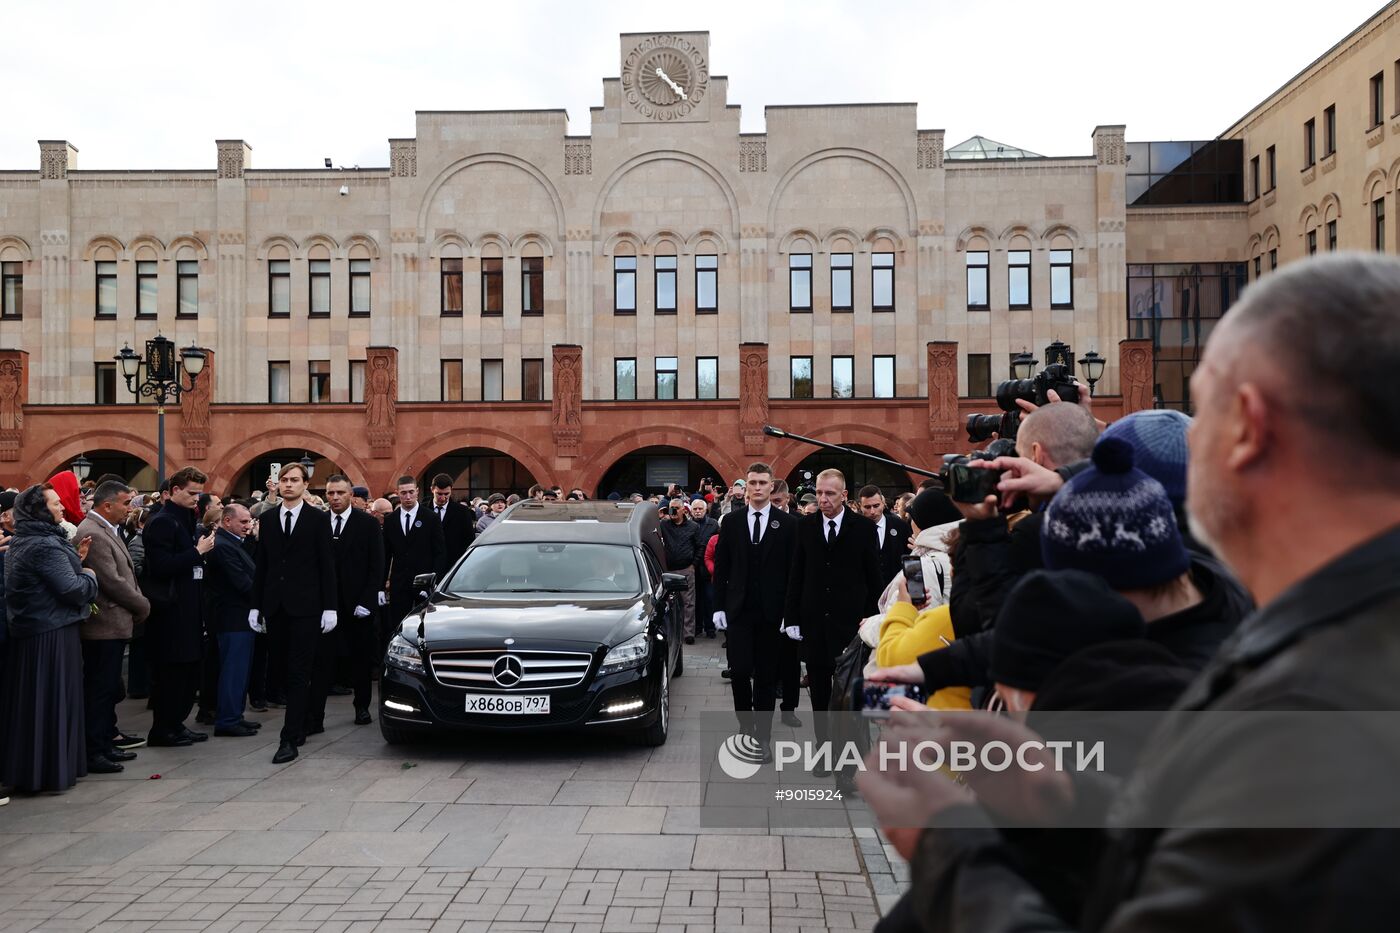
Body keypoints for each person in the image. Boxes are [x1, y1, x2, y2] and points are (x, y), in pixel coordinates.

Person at [861, 252, 1400, 932]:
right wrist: (1065, 800)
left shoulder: (1324, 705)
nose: (1177, 443)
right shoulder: (1322, 624)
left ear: (1250, 429)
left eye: (1199, 411)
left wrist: (947, 844)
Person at [0, 484, 99, 792]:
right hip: (50, 633)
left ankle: (42, 769)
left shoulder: (27, 541)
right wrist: (90, 576)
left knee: (42, 702)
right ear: (40, 510)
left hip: (41, 629)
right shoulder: (43, 545)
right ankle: (49, 771)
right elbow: (71, 589)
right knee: (51, 700)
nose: (61, 508)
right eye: (55, 504)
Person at [785, 468, 883, 767]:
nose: (822, 498)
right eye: (818, 492)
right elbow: (796, 574)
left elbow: (874, 579)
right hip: (814, 623)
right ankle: (823, 752)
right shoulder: (805, 527)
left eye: (829, 493)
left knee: (848, 698)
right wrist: (791, 618)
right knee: (818, 695)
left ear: (844, 495)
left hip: (851, 627)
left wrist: (873, 619)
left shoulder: (863, 529)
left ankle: (849, 756)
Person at [249, 461, 337, 764]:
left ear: (305, 485)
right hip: (275, 607)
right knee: (283, 671)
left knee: (300, 672)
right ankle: (298, 726)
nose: (288, 484)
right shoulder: (270, 518)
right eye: (284, 479)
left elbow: (327, 565)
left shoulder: (317, 519)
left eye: (294, 480)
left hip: (308, 608)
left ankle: (289, 738)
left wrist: (330, 607)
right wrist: (255, 605)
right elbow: (264, 564)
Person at [710, 463, 796, 751]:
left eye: (762, 482)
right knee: (739, 671)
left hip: (772, 614)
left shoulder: (788, 525)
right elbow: (721, 567)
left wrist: (790, 612)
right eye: (752, 483)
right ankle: (745, 724)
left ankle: (763, 735)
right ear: (746, 487)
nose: (757, 487)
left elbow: (793, 572)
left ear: (772, 486)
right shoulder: (731, 522)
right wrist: (718, 606)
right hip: (738, 611)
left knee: (766, 675)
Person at [75, 480, 149, 773]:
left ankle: (105, 741)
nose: (129, 509)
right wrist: (142, 605)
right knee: (100, 689)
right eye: (125, 503)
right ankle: (95, 749)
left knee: (107, 687)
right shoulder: (92, 531)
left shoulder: (104, 529)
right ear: (108, 505)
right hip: (103, 626)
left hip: (114, 624)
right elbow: (112, 581)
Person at [142, 467, 217, 747]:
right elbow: (160, 567)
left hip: (189, 606)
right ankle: (164, 729)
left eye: (199, 494)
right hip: (171, 612)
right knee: (172, 674)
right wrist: (197, 552)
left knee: (187, 673)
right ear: (174, 491)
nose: (196, 499)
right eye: (191, 493)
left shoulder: (185, 518)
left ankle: (176, 724)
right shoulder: (162, 521)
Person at [324, 474, 384, 725]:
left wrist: (367, 600)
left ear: (351, 495)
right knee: (323, 659)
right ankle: (315, 714)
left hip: (358, 604)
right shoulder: (318, 522)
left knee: (361, 660)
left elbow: (377, 564)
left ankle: (362, 707)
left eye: (340, 493)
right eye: (330, 493)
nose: (335, 498)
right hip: (326, 604)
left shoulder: (367, 524)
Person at [203, 503, 261, 737]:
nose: (248, 527)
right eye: (244, 522)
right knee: (233, 670)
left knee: (240, 670)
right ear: (227, 521)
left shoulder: (234, 543)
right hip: (231, 617)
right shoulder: (223, 547)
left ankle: (235, 715)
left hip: (240, 617)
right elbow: (241, 582)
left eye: (249, 522)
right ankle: (227, 719)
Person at [382, 475, 445, 655]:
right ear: (398, 494)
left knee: (424, 626)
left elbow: (440, 552)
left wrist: (434, 581)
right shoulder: (391, 520)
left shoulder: (431, 518)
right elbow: (386, 555)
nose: (408, 497)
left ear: (417, 491)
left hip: (424, 582)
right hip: (399, 582)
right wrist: (381, 586)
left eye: (411, 492)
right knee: (397, 624)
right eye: (404, 493)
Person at [658, 497, 705, 643]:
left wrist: (693, 565)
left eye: (675, 508)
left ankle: (688, 633)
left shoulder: (693, 527)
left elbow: (700, 546)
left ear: (683, 510)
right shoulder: (664, 524)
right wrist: (660, 512)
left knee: (688, 603)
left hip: (686, 569)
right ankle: (670, 633)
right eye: (670, 508)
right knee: (668, 603)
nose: (672, 511)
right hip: (669, 570)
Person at [858, 484, 912, 586]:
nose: (872, 511)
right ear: (860, 506)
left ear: (883, 503)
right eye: (867, 507)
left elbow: (908, 557)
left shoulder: (900, 526)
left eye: (876, 505)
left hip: (896, 589)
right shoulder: (854, 528)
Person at [429, 473, 474, 569]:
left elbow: (469, 540)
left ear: (451, 490)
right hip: (428, 564)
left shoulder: (462, 512)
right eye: (439, 494)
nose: (443, 497)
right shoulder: (422, 510)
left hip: (453, 565)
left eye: (446, 494)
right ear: (432, 490)